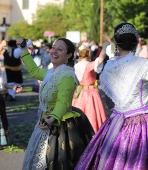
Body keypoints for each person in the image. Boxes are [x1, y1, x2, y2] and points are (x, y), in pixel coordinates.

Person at [75, 23, 148, 170]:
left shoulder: (109, 66)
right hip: (142, 121)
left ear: (116, 42)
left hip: (116, 122)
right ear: (136, 42)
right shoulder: (144, 64)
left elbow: (112, 97)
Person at [16, 37, 94, 170]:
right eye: (53, 48)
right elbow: (34, 71)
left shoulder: (67, 75)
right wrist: (24, 49)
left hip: (60, 126)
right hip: (46, 122)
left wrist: (50, 120)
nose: (54, 51)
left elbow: (63, 102)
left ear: (68, 55)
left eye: (60, 49)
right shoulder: (50, 72)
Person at [72, 44, 107, 132]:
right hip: (91, 93)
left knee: (80, 112)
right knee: (92, 113)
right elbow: (100, 59)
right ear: (88, 54)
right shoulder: (90, 65)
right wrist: (105, 47)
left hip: (79, 92)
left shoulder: (76, 66)